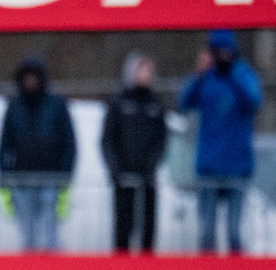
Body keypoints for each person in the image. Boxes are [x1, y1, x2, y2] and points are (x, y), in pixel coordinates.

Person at [180, 29, 262, 255]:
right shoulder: (206, 79)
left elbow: (255, 99)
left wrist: (233, 71)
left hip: (236, 167)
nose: (223, 56)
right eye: (219, 51)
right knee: (207, 232)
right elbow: (184, 101)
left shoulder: (243, 75)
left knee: (234, 231)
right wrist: (198, 74)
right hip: (208, 167)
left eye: (227, 51)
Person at [0, 58, 75, 253]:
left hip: (51, 180)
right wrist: (4, 176)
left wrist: (65, 175)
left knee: (50, 236)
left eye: (34, 77)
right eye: (27, 78)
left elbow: (69, 143)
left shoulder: (56, 105)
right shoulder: (14, 106)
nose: (31, 82)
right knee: (27, 237)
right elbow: (4, 144)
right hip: (22, 181)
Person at [101, 52, 168, 254]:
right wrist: (116, 170)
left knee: (147, 231)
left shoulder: (155, 104)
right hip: (123, 180)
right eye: (142, 70)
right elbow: (108, 140)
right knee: (123, 230)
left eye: (149, 71)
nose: (146, 75)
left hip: (147, 180)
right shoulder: (119, 103)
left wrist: (151, 166)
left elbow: (161, 140)